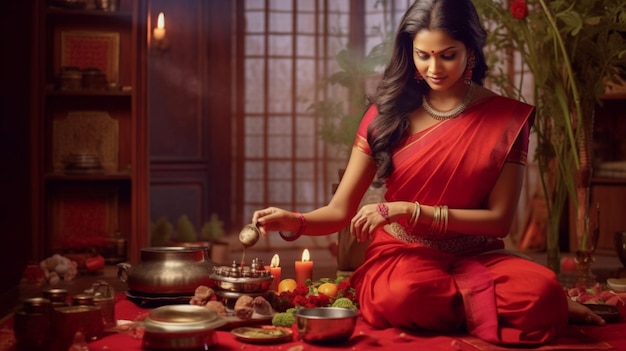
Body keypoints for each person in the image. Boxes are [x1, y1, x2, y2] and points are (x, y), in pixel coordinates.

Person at [252, 0, 604, 346]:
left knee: (540, 291)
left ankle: (501, 304)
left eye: (447, 54)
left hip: (478, 255)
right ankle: (496, 308)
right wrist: (294, 221)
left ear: (471, 51)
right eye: (423, 55)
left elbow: (499, 222)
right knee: (405, 294)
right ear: (410, 52)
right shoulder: (385, 116)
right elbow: (339, 211)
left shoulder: (506, 119)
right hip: (404, 255)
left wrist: (408, 209)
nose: (433, 68)